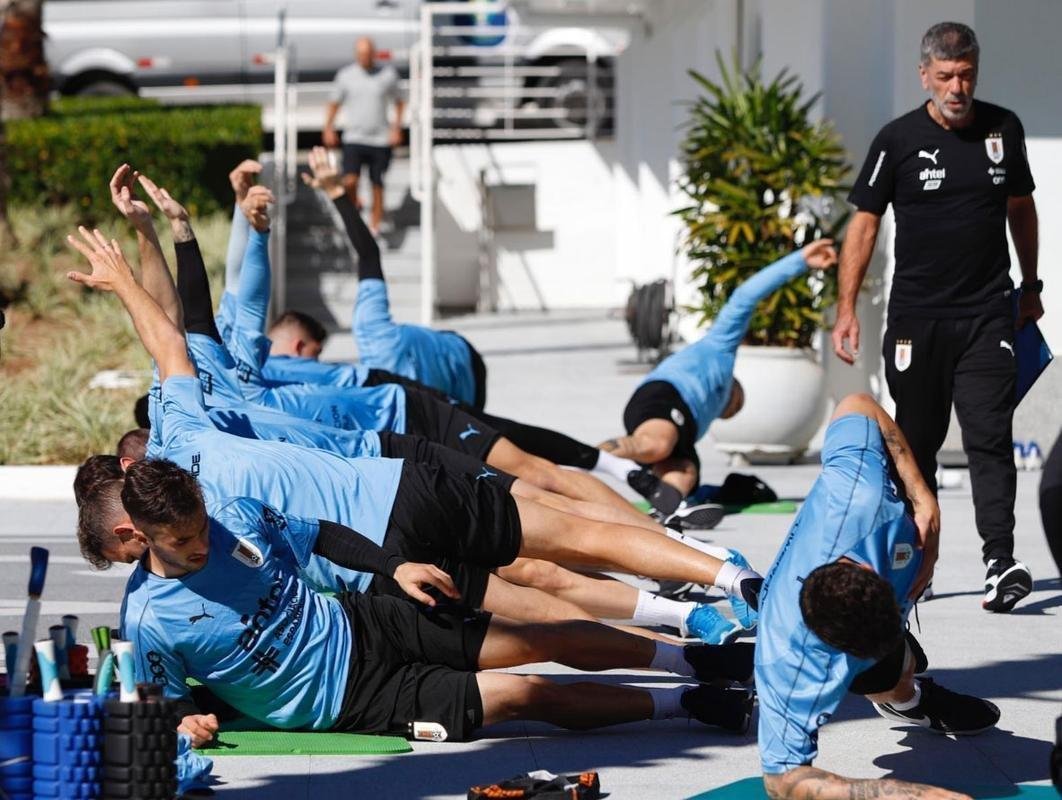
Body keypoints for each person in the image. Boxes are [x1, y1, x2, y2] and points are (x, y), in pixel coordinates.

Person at [64, 227, 763, 644]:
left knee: (549, 539)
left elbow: (175, 327)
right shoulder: (184, 447)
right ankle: (699, 603)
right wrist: (127, 273)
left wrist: (154, 245)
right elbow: (165, 336)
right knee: (543, 571)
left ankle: (699, 584)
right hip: (389, 507)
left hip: (390, 475)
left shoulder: (184, 486)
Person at [115, 458, 756, 745]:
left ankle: (698, 663)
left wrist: (396, 566)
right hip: (350, 702)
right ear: (141, 537)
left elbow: (325, 536)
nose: (202, 543)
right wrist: (182, 718)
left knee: (544, 634)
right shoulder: (145, 620)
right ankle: (686, 704)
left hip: (365, 621)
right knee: (525, 695)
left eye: (201, 527)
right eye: (183, 541)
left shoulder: (231, 518)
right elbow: (157, 697)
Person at [832, 21, 1041, 613]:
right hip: (917, 321)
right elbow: (864, 224)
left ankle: (1000, 561)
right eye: (946, 76)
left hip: (986, 315)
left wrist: (1030, 286)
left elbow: (1021, 210)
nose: (958, 86)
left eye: (967, 74)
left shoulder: (1004, 129)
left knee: (989, 436)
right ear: (925, 75)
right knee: (915, 445)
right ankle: (907, 561)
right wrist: (847, 309)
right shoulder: (897, 140)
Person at [756, 393, 999, 800]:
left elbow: (857, 405)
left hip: (869, 582)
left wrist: (923, 498)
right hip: (825, 639)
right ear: (836, 653)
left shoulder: (857, 496)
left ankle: (907, 686)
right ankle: (901, 697)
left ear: (870, 569)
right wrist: (905, 794)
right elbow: (783, 782)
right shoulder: (787, 663)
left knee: (904, 663)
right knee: (888, 675)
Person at [599, 239, 838, 514]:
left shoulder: (702, 419)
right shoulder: (719, 350)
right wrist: (801, 261)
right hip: (665, 394)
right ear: (733, 388)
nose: (727, 411)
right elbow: (745, 297)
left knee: (686, 472)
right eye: (734, 405)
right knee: (656, 444)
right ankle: (577, 460)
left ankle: (663, 510)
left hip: (680, 423)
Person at [323, 36, 403, 235]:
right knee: (350, 180)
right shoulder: (346, 76)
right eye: (360, 54)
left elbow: (399, 102)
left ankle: (374, 226)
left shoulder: (387, 75)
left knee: (377, 184)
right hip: (354, 138)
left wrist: (396, 128)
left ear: (374, 54)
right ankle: (355, 206)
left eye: (367, 54)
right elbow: (334, 103)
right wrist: (328, 128)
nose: (364, 58)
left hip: (380, 139)